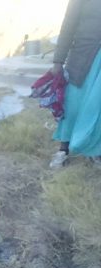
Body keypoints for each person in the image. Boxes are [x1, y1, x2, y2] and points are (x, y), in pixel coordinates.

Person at [49, 0, 101, 168]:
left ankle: (94, 150)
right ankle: (63, 149)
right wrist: (58, 61)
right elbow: (68, 25)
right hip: (82, 56)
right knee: (72, 103)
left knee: (97, 107)